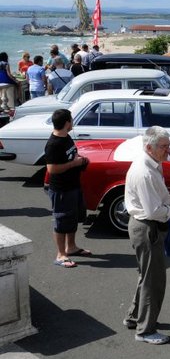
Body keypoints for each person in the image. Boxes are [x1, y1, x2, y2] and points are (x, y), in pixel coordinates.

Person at [123, 126, 170, 345]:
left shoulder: (151, 164)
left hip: (146, 227)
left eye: (168, 145)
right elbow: (153, 211)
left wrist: (169, 203)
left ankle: (134, 317)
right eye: (164, 147)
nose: (169, 150)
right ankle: (145, 330)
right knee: (153, 281)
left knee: (146, 277)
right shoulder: (145, 171)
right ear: (149, 147)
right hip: (148, 227)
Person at [45, 108, 91, 269]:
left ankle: (70, 247)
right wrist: (74, 163)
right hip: (61, 190)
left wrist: (80, 160)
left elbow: (72, 154)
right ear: (66, 123)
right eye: (71, 120)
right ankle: (60, 254)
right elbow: (52, 169)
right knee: (61, 220)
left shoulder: (66, 137)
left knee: (73, 219)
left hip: (73, 186)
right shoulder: (53, 144)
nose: (72, 122)